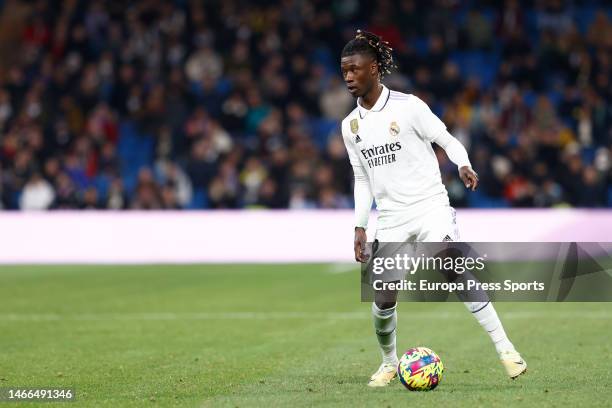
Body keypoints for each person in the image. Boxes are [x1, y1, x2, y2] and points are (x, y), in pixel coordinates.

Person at [339, 30, 527, 387]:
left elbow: (446, 139)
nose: (348, 77)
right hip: (392, 218)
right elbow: (362, 179)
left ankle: (506, 349)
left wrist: (463, 163)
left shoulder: (408, 107)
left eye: (355, 69)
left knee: (448, 261)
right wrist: (360, 226)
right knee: (383, 298)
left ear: (375, 69)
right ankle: (389, 363)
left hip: (429, 206)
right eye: (344, 70)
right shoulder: (349, 127)